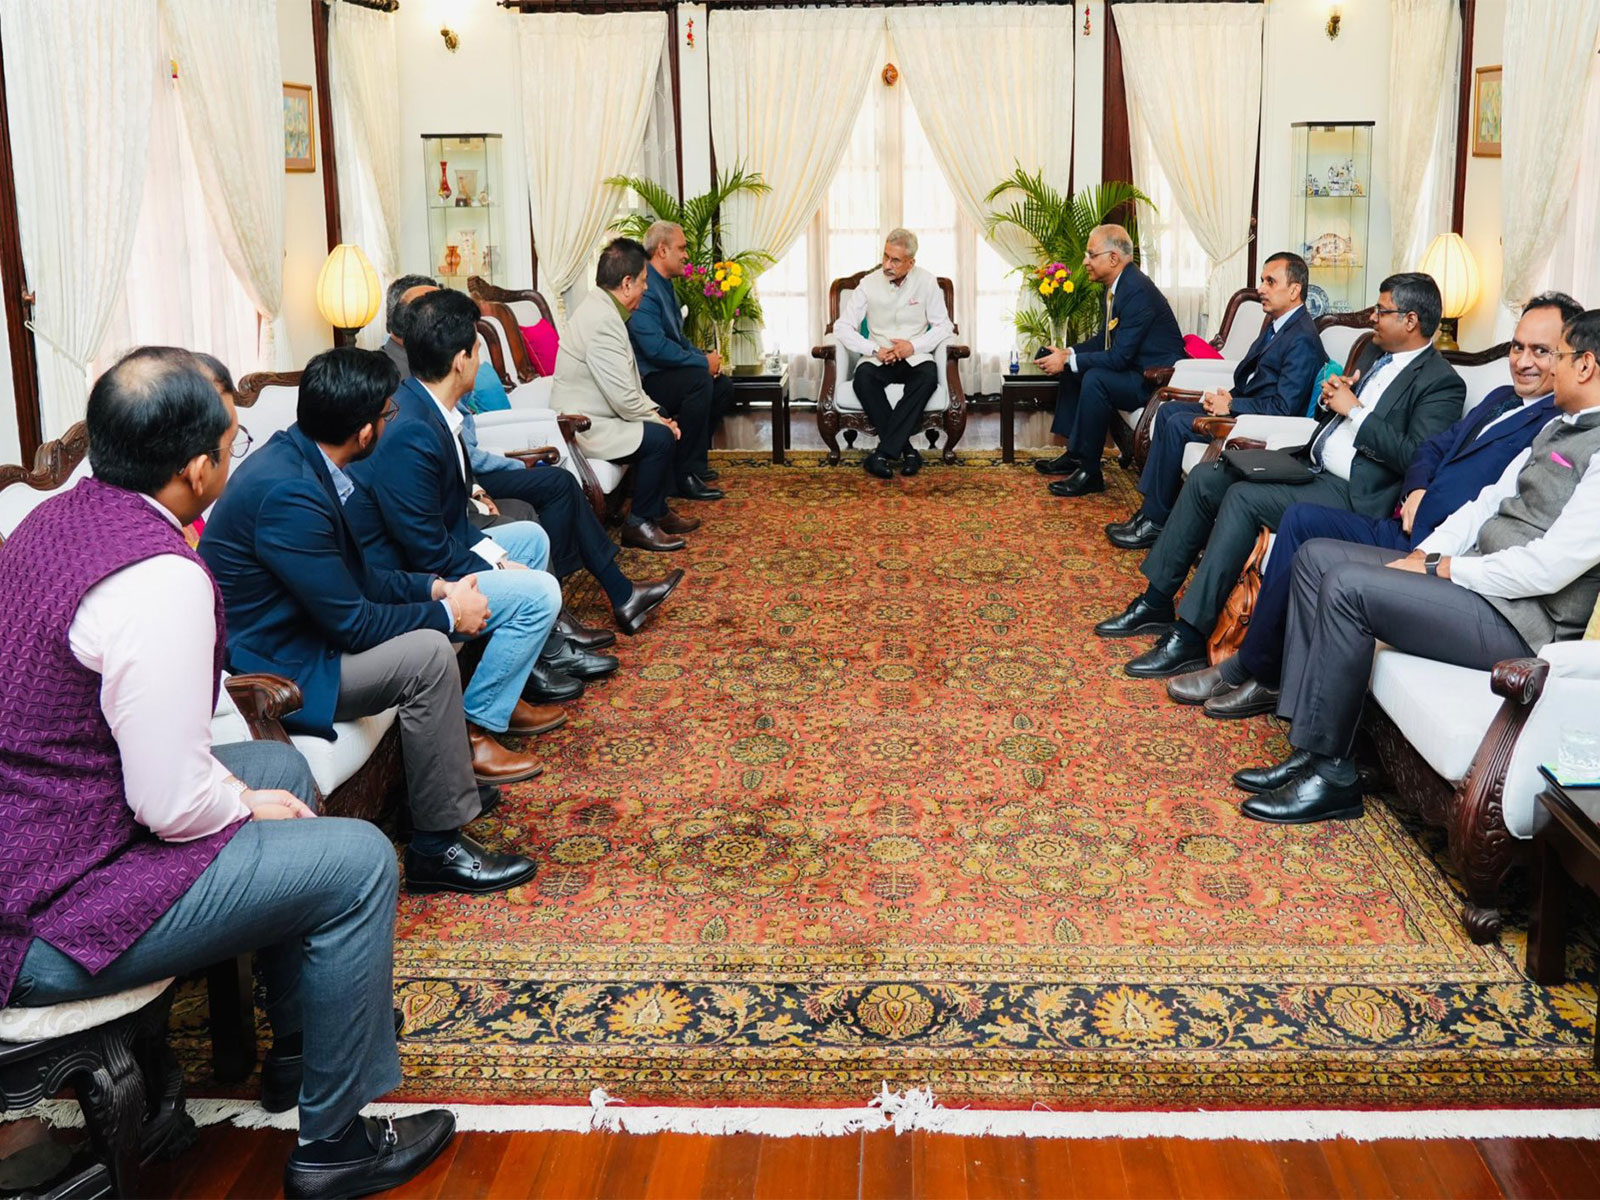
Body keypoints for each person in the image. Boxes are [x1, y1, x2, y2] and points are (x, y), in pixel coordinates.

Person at [0, 346, 456, 1199]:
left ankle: (298, 1053)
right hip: (44, 913)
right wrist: (243, 803)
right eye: (232, 442)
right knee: (356, 861)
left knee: (277, 761)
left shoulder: (55, 521)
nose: (235, 458)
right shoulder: (157, 577)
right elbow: (171, 803)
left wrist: (252, 788)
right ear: (197, 466)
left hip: (38, 837)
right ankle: (337, 1148)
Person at [200, 345, 547, 895]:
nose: (394, 420)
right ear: (364, 433)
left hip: (307, 631)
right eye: (388, 413)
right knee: (429, 655)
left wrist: (435, 587)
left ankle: (431, 792)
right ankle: (437, 849)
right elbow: (353, 623)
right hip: (281, 666)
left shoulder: (304, 459)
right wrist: (448, 613)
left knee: (433, 632)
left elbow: (358, 577)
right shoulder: (290, 492)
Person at [1235, 307, 1600, 825]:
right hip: (1475, 583)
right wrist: (1427, 554)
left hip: (1521, 623)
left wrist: (1446, 569)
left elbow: (1548, 569)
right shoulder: (1557, 426)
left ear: (1584, 365)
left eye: (1555, 356)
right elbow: (1484, 505)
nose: (1546, 368)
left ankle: (1332, 776)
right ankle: (1310, 749)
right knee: (1316, 557)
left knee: (1347, 588)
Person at [1170, 291, 1584, 719]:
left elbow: (1496, 506)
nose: (1523, 361)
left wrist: (1435, 549)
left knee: (1301, 533)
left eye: (1541, 351)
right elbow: (1432, 449)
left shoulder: (1551, 426)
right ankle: (1252, 669)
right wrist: (1417, 489)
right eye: (1517, 347)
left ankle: (1256, 672)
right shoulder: (1500, 398)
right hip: (1407, 519)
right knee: (1296, 521)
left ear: (1572, 359)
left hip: (1438, 546)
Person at [1099, 272, 1465, 680]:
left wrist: (1354, 410)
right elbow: (1335, 419)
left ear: (1411, 320)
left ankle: (1188, 636)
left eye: (1382, 311)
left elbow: (1415, 456)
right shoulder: (1373, 359)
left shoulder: (1442, 383)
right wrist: (1332, 399)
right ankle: (1156, 601)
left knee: (1241, 498)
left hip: (1354, 494)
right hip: (1312, 465)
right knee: (1209, 479)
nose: (1374, 318)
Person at [344, 288, 616, 709]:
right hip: (404, 576)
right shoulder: (412, 429)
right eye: (477, 349)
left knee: (530, 537)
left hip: (432, 551)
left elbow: (450, 523)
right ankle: (483, 715)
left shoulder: (432, 409)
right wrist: (496, 565)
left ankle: (530, 666)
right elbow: (424, 548)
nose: (482, 359)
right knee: (539, 590)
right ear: (460, 361)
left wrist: (496, 556)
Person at [387, 281, 684, 639]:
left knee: (552, 496)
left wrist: (478, 498)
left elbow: (460, 457)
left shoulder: (429, 392)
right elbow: (432, 536)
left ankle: (571, 612)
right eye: (477, 352)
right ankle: (561, 614)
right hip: (457, 519)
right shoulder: (412, 404)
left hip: (470, 484)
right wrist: (496, 555)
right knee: (557, 484)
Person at [1106, 252, 1324, 549]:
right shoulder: (1278, 326)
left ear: (1295, 290)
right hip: (1242, 407)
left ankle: (1155, 521)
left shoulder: (1302, 338)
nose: (1261, 288)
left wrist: (1232, 406)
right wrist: (1229, 396)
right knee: (1169, 412)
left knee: (1179, 423)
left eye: (1270, 281)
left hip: (1259, 423)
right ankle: (1150, 513)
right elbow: (1255, 378)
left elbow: (1286, 408)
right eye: (1262, 280)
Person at [550, 237, 688, 551]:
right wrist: (660, 424)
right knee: (661, 438)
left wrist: (657, 413)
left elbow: (626, 385)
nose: (646, 290)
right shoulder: (601, 320)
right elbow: (624, 398)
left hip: (601, 413)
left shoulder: (602, 307)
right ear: (627, 283)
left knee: (663, 413)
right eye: (642, 282)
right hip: (583, 425)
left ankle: (657, 510)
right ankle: (638, 523)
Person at [1034, 223, 1186, 497]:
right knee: (1076, 367)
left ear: (1113, 258)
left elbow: (1118, 357)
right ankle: (1075, 455)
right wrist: (1066, 354)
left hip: (1154, 379)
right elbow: (1104, 340)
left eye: (1091, 255)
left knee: (1095, 378)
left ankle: (1090, 472)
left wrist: (1069, 361)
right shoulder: (1118, 286)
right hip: (1135, 368)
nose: (1085, 261)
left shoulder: (1136, 290)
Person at [834, 228, 955, 479]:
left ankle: (881, 454)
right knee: (863, 379)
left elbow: (944, 326)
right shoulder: (867, 284)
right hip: (879, 356)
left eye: (896, 260)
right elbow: (841, 327)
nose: (887, 264)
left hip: (915, 356)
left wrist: (913, 346)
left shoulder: (927, 281)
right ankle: (908, 451)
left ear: (911, 262)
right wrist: (874, 349)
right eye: (886, 256)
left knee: (927, 377)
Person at [629, 219, 731, 496]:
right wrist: (701, 364)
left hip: (667, 373)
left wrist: (705, 357)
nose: (686, 255)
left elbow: (677, 338)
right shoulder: (646, 286)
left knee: (722, 386)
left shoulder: (666, 284)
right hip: (648, 379)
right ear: (662, 250)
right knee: (699, 381)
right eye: (682, 248)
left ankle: (691, 463)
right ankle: (682, 475)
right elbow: (656, 348)